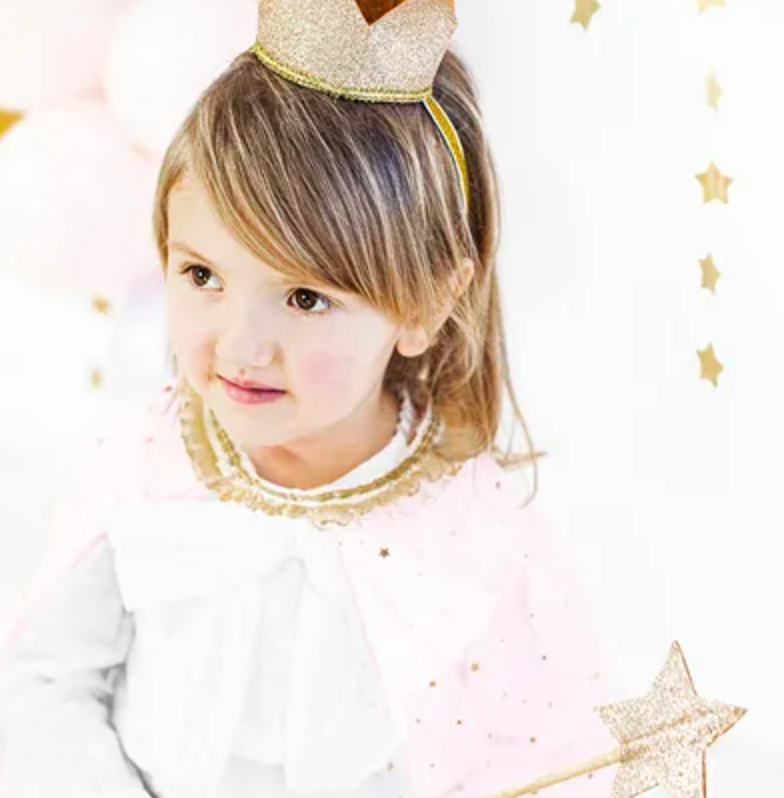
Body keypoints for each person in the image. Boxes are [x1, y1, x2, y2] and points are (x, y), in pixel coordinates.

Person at [0, 1, 619, 797]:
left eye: (304, 299)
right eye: (203, 276)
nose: (240, 346)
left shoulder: (478, 530)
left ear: (427, 303)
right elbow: (39, 684)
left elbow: (544, 756)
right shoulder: (145, 467)